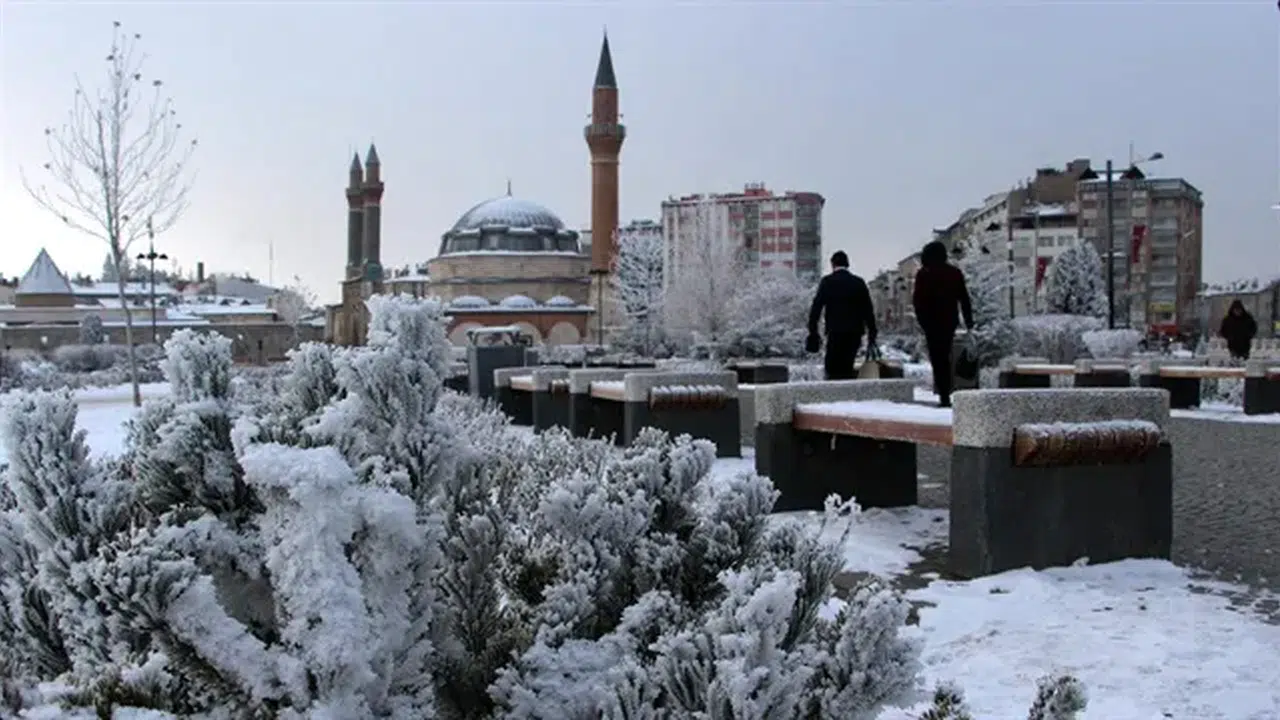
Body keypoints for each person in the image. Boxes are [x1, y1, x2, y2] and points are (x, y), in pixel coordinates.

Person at [912, 240, 974, 407]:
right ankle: (946, 391)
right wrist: (969, 322)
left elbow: (917, 301)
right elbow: (964, 298)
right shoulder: (954, 273)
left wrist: (922, 322)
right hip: (949, 321)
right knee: (946, 355)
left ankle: (943, 393)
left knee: (936, 358)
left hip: (930, 323)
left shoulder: (924, 274)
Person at [807, 250, 878, 380]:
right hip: (855, 332)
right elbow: (868, 310)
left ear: (833, 265)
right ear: (847, 264)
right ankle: (848, 394)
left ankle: (834, 394)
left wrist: (813, 330)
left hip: (835, 331)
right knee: (847, 364)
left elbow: (816, 308)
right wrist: (872, 332)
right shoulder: (858, 282)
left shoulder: (827, 282)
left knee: (832, 366)